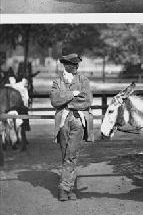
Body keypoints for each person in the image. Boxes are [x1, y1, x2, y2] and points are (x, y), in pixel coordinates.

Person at [50, 53, 94, 201]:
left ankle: (63, 189)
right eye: (73, 64)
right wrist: (73, 94)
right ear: (66, 65)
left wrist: (67, 101)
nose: (76, 67)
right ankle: (70, 188)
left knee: (71, 154)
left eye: (77, 65)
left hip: (78, 121)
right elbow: (55, 101)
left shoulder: (83, 80)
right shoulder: (57, 82)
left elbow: (87, 100)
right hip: (62, 122)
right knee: (66, 155)